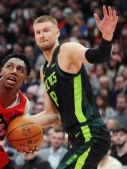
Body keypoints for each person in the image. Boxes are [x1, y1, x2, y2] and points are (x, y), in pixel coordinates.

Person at [29, 6, 118, 169]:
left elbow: (100, 56)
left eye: (46, 30)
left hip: (91, 133)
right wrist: (20, 121)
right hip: (75, 138)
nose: (41, 35)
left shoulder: (67, 50)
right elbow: (51, 115)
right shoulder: (44, 70)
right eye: (38, 32)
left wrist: (106, 35)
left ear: (57, 32)